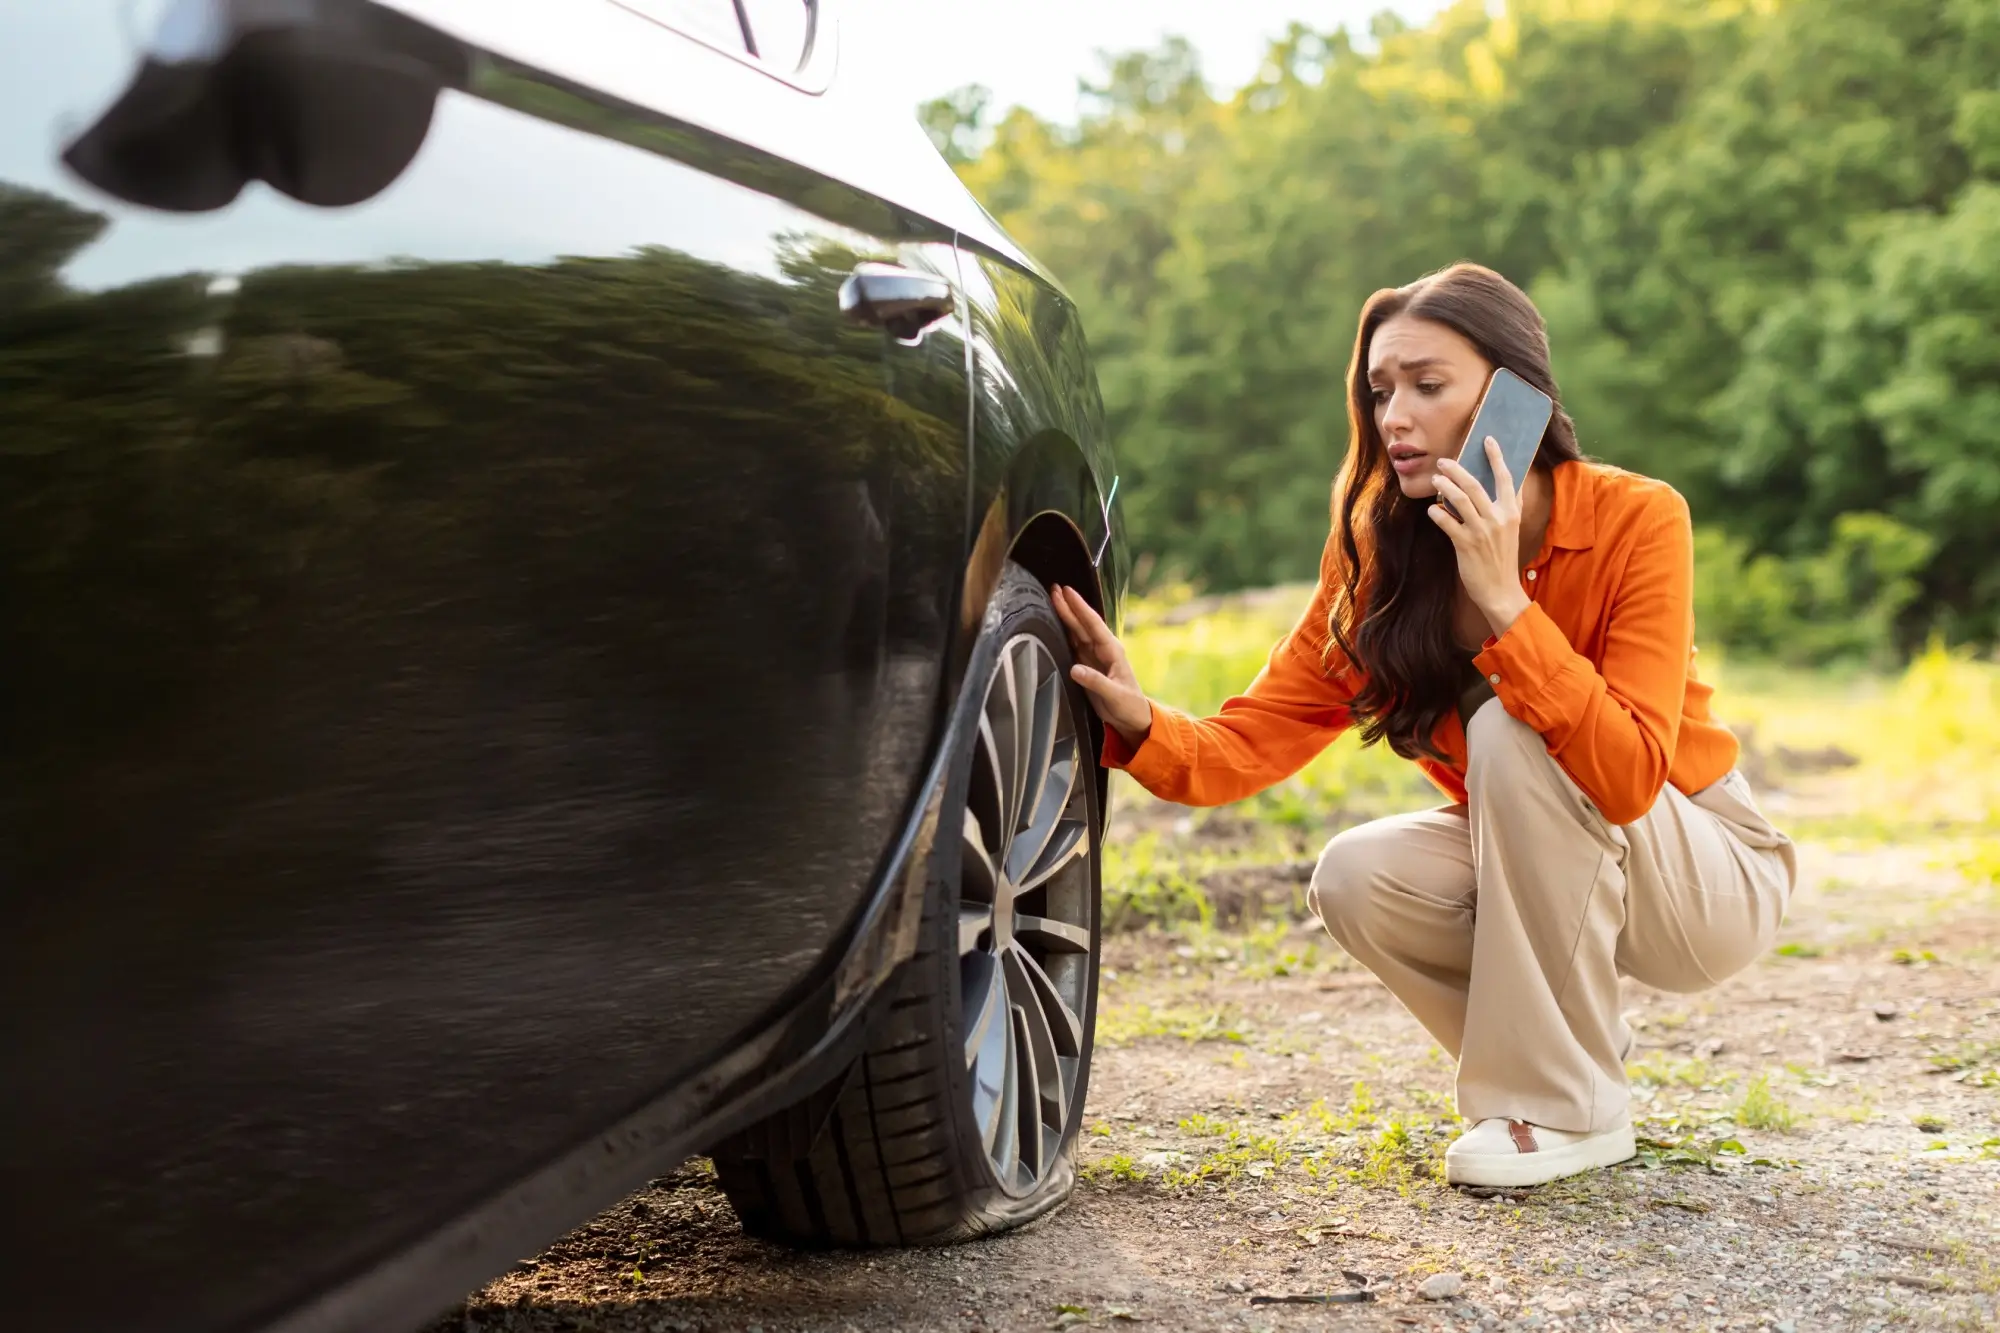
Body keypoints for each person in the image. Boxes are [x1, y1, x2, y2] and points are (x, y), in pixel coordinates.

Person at [1050, 262, 1797, 1189]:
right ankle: (1576, 1088)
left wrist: (1505, 608)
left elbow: (1631, 775)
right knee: (1359, 877)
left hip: (1701, 875)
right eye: (1380, 390)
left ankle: (1551, 1101)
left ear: (1514, 398)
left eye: (1428, 386)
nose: (1394, 416)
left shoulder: (1639, 518)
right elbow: (1252, 739)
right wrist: (1138, 714)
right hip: (1545, 859)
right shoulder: (1378, 555)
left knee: (1511, 730)